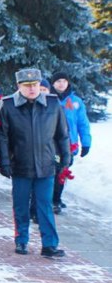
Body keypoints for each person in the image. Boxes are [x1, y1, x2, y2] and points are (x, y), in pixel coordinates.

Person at [0, 68, 70, 258]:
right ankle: (21, 240)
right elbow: (2, 137)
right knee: (20, 204)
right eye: (27, 85)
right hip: (20, 164)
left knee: (44, 205)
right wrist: (4, 161)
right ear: (19, 86)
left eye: (35, 85)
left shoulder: (53, 104)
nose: (32, 89)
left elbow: (62, 135)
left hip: (46, 165)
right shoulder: (8, 106)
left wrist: (65, 158)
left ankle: (49, 244)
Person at [50, 71, 91, 214]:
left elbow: (82, 123)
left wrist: (86, 142)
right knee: (52, 170)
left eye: (64, 81)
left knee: (62, 171)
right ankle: (48, 198)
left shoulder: (76, 102)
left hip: (69, 145)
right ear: (53, 84)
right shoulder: (48, 98)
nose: (61, 84)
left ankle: (56, 198)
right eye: (58, 81)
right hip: (50, 145)